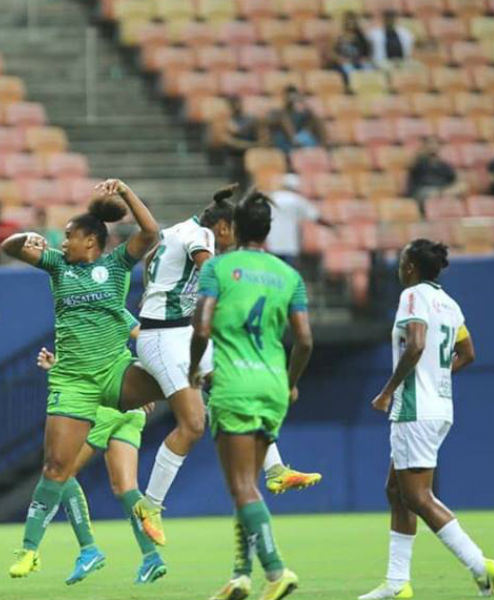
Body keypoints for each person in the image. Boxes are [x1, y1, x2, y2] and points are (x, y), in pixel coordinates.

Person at [136, 183, 321, 548]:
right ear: (223, 227)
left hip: (179, 330)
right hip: (162, 337)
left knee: (233, 383)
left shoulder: (177, 230)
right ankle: (150, 505)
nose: (231, 243)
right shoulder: (202, 235)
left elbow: (150, 259)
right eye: (231, 235)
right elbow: (209, 267)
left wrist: (154, 291)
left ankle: (276, 469)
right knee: (193, 423)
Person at [0, 179, 163, 578]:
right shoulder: (58, 266)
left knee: (180, 382)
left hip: (112, 376)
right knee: (60, 468)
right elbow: (10, 248)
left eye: (69, 235)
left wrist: (126, 192)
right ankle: (32, 551)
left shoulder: (116, 265)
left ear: (91, 240)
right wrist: (26, 237)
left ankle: (101, 545)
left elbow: (150, 232)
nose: (63, 242)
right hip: (73, 381)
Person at [358, 240, 494, 600]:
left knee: (417, 496)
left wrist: (388, 390)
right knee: (396, 492)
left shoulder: (412, 296)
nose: (398, 267)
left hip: (414, 408)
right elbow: (467, 352)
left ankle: (479, 565)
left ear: (410, 267)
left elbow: (417, 343)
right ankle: (397, 583)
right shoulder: (449, 303)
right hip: (439, 406)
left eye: (401, 260)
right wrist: (436, 376)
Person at [189, 189, 314, 600]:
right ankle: (240, 574)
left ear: (236, 228)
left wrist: (192, 368)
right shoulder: (289, 275)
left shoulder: (219, 268)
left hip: (235, 384)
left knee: (241, 486)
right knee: (248, 486)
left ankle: (276, 570)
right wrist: (291, 382)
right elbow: (304, 340)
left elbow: (201, 327)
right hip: (274, 385)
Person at [36, 319, 168, 586]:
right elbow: (144, 344)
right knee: (126, 488)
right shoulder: (107, 310)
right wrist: (145, 387)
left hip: (104, 406)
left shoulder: (94, 310)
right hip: (130, 409)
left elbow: (97, 364)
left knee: (63, 474)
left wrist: (147, 386)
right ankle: (151, 557)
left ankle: (88, 549)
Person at [266, 174, 326, 266]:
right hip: (290, 244)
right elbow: (315, 217)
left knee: (274, 269)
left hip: (273, 243)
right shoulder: (297, 200)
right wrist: (331, 227)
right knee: (289, 269)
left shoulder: (272, 198)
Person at [266, 86, 327, 155]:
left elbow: (315, 124)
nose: (291, 99)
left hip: (303, 140)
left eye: (294, 96)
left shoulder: (305, 114)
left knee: (311, 132)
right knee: (280, 136)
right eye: (289, 96)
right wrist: (293, 139)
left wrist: (304, 105)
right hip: (287, 142)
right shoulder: (279, 113)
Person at [406, 137, 468, 203]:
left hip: (443, 190)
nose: (433, 146)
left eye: (435, 144)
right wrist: (420, 152)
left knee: (462, 186)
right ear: (425, 146)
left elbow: (455, 179)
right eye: (430, 144)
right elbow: (409, 165)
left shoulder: (444, 165)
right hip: (424, 190)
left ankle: (443, 195)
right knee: (430, 193)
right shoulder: (419, 161)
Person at [327, 11, 372, 84]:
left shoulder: (361, 37)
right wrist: (340, 59)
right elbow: (333, 53)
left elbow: (367, 52)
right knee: (348, 68)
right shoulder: (339, 38)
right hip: (344, 62)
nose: (350, 23)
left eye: (352, 21)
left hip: (358, 61)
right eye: (348, 21)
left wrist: (363, 59)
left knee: (368, 68)